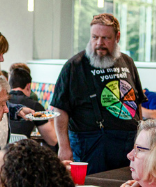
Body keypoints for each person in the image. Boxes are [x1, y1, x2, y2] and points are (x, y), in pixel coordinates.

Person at [51, 14, 147, 174]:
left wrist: (141, 140)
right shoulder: (74, 66)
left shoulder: (127, 62)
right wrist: (64, 147)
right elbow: (59, 109)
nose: (99, 43)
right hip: (90, 144)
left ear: (117, 37)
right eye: (94, 37)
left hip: (128, 144)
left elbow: (135, 102)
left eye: (105, 38)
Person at [7, 67, 57, 147]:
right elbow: (52, 140)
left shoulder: (3, 103)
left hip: (1, 151)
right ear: (28, 86)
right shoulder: (34, 106)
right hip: (22, 153)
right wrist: (52, 121)